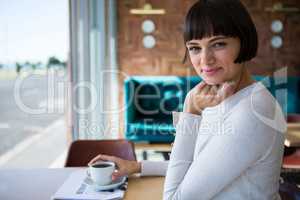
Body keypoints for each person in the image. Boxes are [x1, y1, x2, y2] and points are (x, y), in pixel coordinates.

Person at [89, 0, 286, 199]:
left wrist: (190, 111)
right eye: (195, 48)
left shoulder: (252, 112)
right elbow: (199, 167)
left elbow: (175, 197)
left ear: (244, 41)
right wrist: (138, 166)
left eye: (218, 44)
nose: (205, 60)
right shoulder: (221, 96)